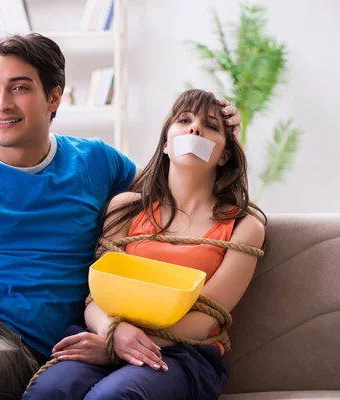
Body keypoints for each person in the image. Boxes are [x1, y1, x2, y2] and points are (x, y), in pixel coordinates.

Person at [0, 33, 242, 400]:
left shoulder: (96, 162)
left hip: (9, 346)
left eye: (20, 88)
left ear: (54, 97)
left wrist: (217, 136)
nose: (2, 104)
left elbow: (177, 186)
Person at [22, 89, 266, 400]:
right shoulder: (126, 208)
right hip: (107, 333)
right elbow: (96, 295)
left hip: (182, 353)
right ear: (166, 143)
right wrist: (113, 335)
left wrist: (120, 346)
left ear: (225, 155)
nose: (195, 129)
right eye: (184, 120)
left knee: (112, 397)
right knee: (48, 391)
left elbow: (206, 318)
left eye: (211, 126)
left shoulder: (245, 227)